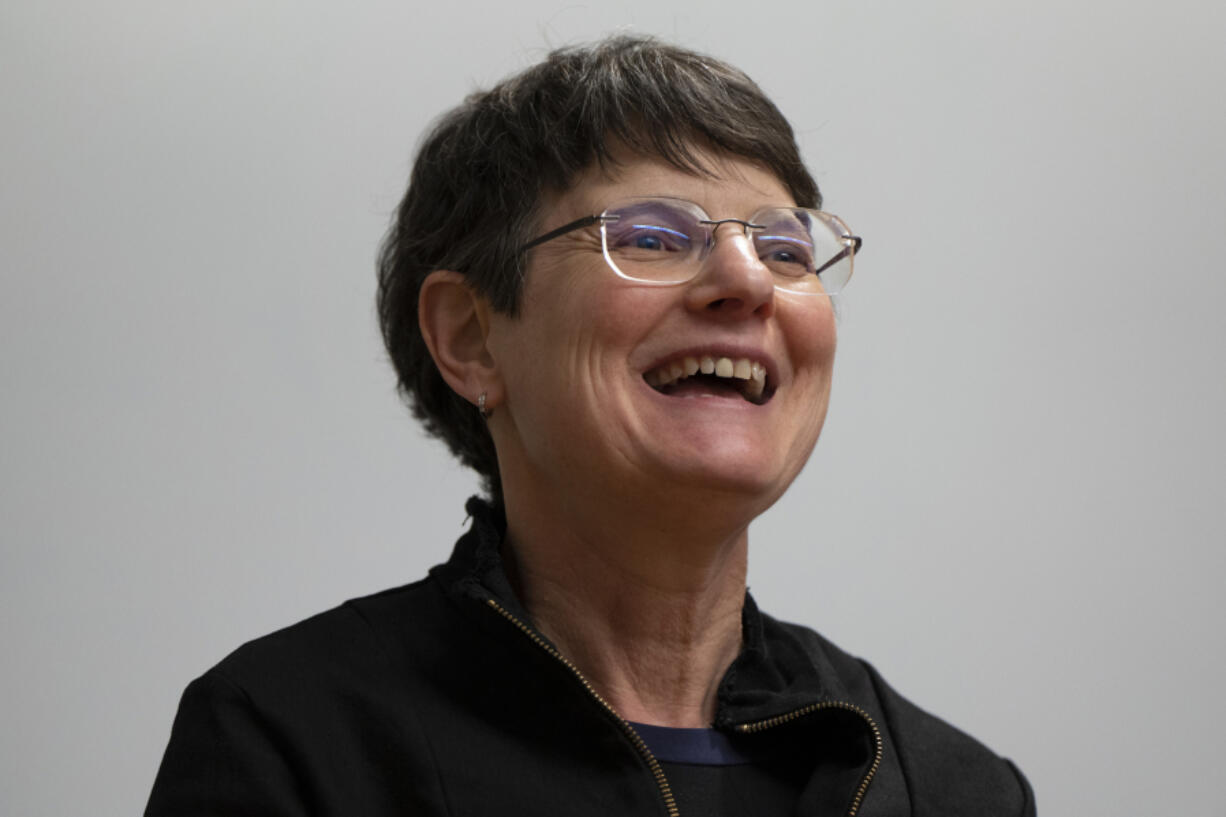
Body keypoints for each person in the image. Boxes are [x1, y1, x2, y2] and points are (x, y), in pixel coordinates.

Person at [146, 36, 1034, 816]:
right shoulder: (292, 740)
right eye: (651, 237)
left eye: (787, 249)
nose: (749, 281)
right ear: (471, 338)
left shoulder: (947, 787)